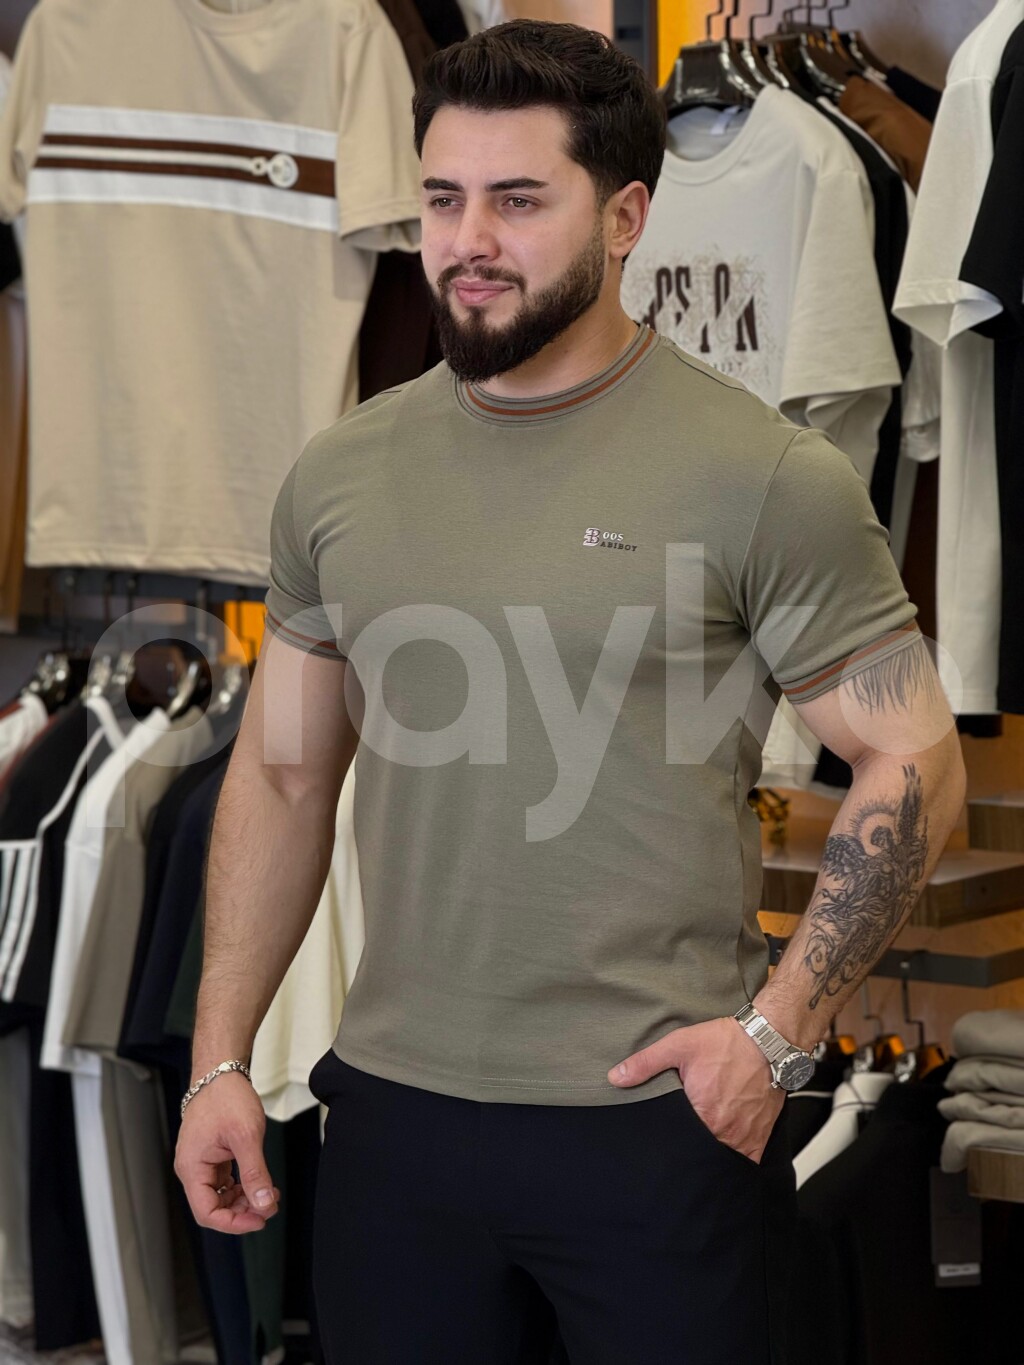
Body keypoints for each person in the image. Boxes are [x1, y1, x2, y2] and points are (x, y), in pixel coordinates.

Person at [174, 20, 966, 1364]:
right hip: (395, 1130)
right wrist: (220, 1058)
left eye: (519, 200)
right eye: (443, 198)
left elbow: (917, 760)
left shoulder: (765, 475)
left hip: (662, 1127)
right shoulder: (339, 475)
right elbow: (285, 774)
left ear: (626, 217)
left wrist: (777, 1038)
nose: (468, 239)